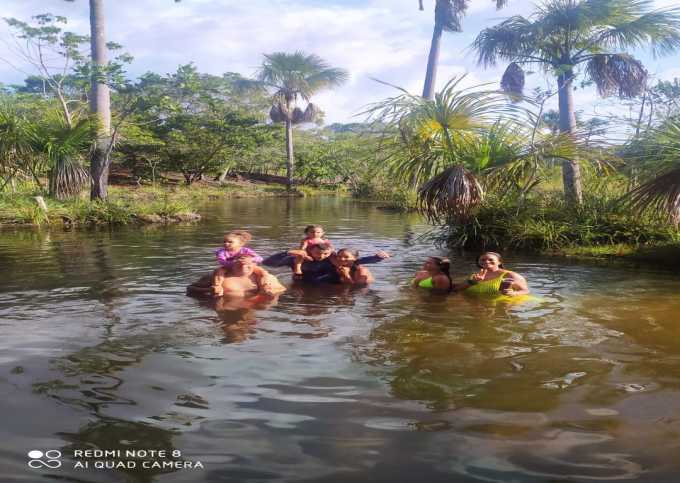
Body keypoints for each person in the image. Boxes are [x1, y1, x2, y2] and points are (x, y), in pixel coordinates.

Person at [263, 243, 389, 285]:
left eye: (325, 254)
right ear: (310, 250)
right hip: (303, 287)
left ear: (330, 252)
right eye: (317, 253)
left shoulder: (333, 259)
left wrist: (377, 258)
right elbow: (268, 263)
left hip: (329, 289)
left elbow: (358, 261)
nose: (321, 256)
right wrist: (289, 252)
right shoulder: (300, 259)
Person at [188, 254, 285, 298]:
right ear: (231, 265)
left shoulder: (268, 278)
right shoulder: (216, 277)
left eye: (248, 264)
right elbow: (190, 288)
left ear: (255, 265)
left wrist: (271, 291)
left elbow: (282, 289)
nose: (243, 266)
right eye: (239, 263)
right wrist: (209, 290)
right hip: (225, 309)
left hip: (255, 309)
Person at [213, 230, 263, 296]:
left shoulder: (246, 250)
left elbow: (260, 258)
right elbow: (222, 261)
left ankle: (266, 283)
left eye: (230, 242)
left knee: (260, 270)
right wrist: (234, 263)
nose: (226, 243)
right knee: (219, 271)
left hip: (246, 265)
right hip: (229, 266)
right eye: (224, 242)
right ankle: (217, 286)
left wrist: (251, 259)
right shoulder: (222, 251)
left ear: (240, 244)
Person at [459, 252, 529, 296]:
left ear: (499, 262)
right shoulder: (474, 276)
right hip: (480, 307)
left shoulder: (510, 275)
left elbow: (526, 291)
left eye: (490, 259)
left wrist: (514, 293)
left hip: (503, 306)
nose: (486, 262)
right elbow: (457, 289)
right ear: (478, 262)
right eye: (483, 260)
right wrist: (473, 282)